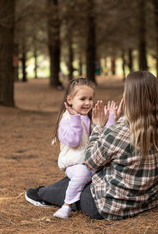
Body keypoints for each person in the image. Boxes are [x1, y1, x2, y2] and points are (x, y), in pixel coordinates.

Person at [25, 71, 158, 220]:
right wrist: (117, 119)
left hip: (109, 206)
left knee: (81, 179)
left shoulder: (118, 132)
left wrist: (98, 127)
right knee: (82, 176)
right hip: (147, 200)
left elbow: (91, 161)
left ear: (128, 97)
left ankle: (42, 194)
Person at [25, 77, 115, 219]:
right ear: (70, 99)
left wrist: (110, 118)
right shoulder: (66, 121)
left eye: (90, 99)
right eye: (82, 99)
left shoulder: (90, 117)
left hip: (91, 162)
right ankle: (66, 206)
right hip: (75, 164)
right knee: (82, 174)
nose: (87, 103)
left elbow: (104, 137)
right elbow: (74, 141)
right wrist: (75, 119)